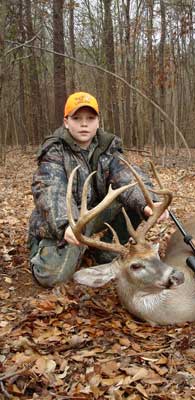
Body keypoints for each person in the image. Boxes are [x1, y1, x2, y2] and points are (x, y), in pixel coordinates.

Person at [28, 91, 168, 288]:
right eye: (77, 118)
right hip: (66, 220)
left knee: (132, 202)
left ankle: (104, 249)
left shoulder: (108, 148)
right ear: (66, 122)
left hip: (93, 215)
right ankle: (39, 247)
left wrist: (148, 202)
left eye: (90, 118)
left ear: (98, 122)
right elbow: (50, 189)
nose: (84, 124)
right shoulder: (54, 151)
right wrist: (65, 224)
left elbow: (126, 175)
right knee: (53, 277)